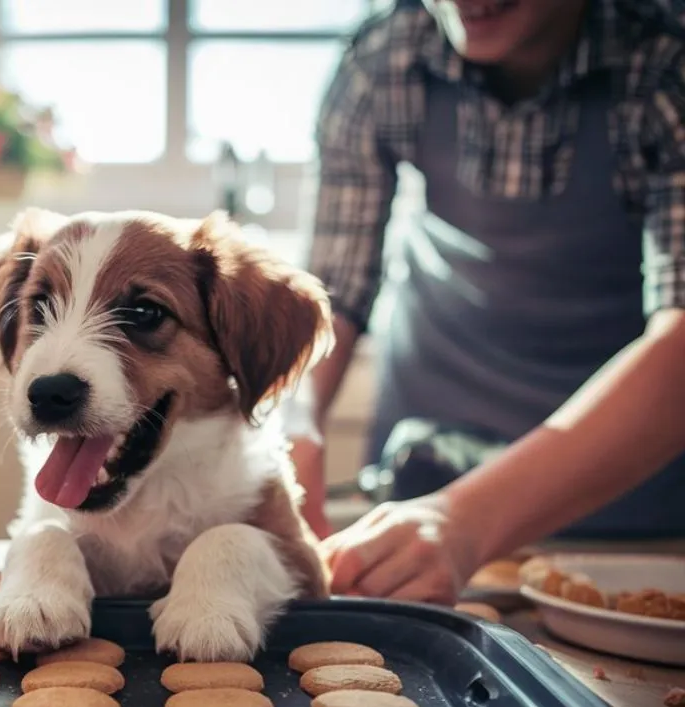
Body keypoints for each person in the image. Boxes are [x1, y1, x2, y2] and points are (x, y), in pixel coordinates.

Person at [291, 0, 685, 605]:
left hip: (634, 516)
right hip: (421, 485)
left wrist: (466, 519)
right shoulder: (383, 60)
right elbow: (330, 293)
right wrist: (293, 423)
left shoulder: (664, 61)